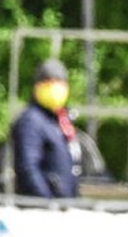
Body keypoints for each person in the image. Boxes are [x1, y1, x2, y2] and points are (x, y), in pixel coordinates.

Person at [10, 59, 81, 198]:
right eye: (49, 82)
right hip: (40, 210)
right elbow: (27, 168)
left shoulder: (59, 121)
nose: (55, 87)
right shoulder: (30, 120)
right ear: (37, 87)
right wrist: (47, 202)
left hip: (61, 208)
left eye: (60, 82)